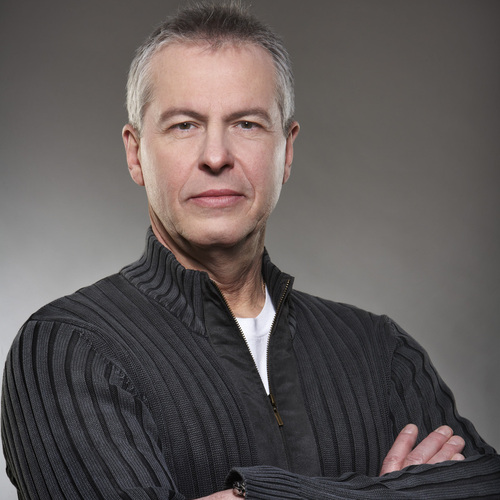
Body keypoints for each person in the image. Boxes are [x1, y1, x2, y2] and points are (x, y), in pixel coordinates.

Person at [2, 3, 499, 499]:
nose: (216, 156)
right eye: (184, 125)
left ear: (287, 150)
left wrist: (250, 495)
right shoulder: (68, 348)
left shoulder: (379, 350)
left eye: (246, 124)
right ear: (136, 154)